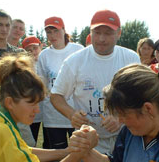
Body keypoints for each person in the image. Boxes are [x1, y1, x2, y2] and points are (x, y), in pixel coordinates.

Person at [50, 9, 140, 154]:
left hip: (126, 137)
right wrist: (71, 114)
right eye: (97, 33)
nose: (101, 39)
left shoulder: (131, 59)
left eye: (108, 33)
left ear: (119, 33)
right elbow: (56, 96)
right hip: (88, 141)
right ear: (90, 32)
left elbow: (141, 97)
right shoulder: (74, 61)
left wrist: (121, 117)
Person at [37, 16, 84, 149]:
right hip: (53, 116)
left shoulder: (78, 49)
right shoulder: (44, 55)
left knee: (81, 155)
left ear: (64, 30)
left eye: (56, 31)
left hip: (76, 113)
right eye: (48, 32)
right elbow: (42, 84)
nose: (52, 35)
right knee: (56, 156)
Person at [21, 36, 43, 143]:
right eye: (28, 50)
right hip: (32, 110)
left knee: (48, 141)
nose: (33, 52)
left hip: (48, 110)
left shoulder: (47, 62)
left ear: (41, 47)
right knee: (32, 139)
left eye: (35, 48)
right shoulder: (24, 66)